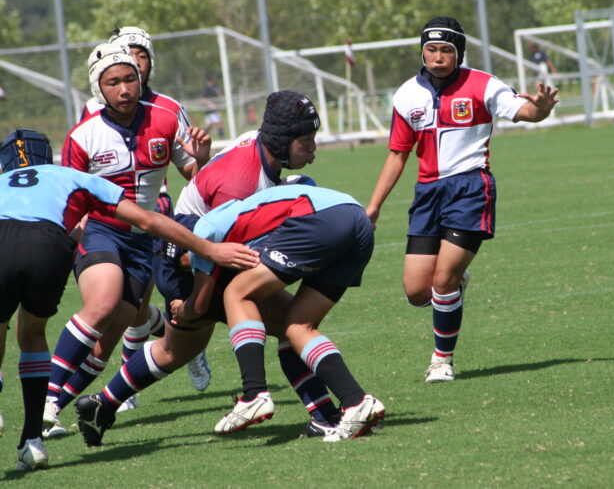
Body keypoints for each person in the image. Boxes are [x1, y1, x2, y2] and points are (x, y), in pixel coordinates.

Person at [0, 129, 257, 471]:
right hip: (47, 245)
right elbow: (149, 220)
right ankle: (32, 441)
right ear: (47, 158)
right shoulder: (69, 176)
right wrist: (210, 249)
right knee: (32, 334)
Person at [75, 184, 385, 446]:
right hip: (354, 221)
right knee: (295, 326)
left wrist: (185, 308)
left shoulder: (204, 233)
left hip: (322, 222)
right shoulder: (203, 231)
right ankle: (353, 404)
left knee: (237, 298)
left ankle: (256, 395)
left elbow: (196, 305)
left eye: (188, 259)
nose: (192, 262)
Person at [366, 16, 559, 383]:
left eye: (446, 50)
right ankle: (455, 281)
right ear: (422, 51)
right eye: (431, 49)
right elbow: (397, 154)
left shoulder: (483, 85)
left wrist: (541, 109)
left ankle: (441, 360)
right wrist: (374, 206)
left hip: (471, 189)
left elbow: (525, 112)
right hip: (427, 195)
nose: (438, 58)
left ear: (459, 52)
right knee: (416, 291)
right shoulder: (406, 95)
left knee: (441, 280)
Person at [42, 41, 217, 435]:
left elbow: (197, 180)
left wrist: (201, 158)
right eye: (113, 82)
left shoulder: (166, 118)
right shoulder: (83, 135)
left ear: (140, 80)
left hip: (145, 239)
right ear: (98, 89)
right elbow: (69, 197)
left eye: (129, 80)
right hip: (103, 231)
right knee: (103, 303)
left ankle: (53, 409)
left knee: (110, 338)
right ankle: (46, 400)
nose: (123, 89)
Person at [155, 90, 342, 436]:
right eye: (308, 140)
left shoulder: (260, 146)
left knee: (171, 351)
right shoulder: (241, 185)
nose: (314, 148)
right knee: (289, 323)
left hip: (206, 248)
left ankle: (100, 403)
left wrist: (201, 165)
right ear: (284, 140)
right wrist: (196, 307)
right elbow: (202, 253)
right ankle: (267, 396)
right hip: (182, 260)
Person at [201, 72, 224, 138]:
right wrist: (211, 104)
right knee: (217, 123)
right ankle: (222, 138)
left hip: (215, 109)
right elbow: (203, 98)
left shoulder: (215, 87)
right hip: (210, 110)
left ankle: (201, 137)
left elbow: (219, 95)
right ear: (211, 79)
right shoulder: (207, 88)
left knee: (211, 124)